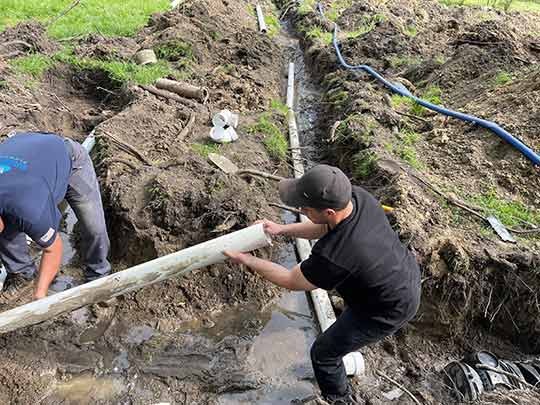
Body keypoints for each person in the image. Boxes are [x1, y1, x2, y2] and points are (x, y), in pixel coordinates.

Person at [224, 164, 421, 405]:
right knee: (346, 321)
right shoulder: (357, 198)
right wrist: (280, 229)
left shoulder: (334, 255)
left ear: (328, 210)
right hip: (401, 271)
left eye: (304, 209)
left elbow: (290, 279)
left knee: (324, 354)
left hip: (388, 308)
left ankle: (339, 399)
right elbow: (322, 226)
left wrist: (246, 259)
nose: (300, 210)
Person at [0, 132, 111, 302]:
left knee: (93, 226)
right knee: (6, 231)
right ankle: (23, 274)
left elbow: (53, 248)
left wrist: (40, 294)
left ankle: (98, 275)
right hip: (26, 156)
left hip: (70, 160)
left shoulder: (28, 209)